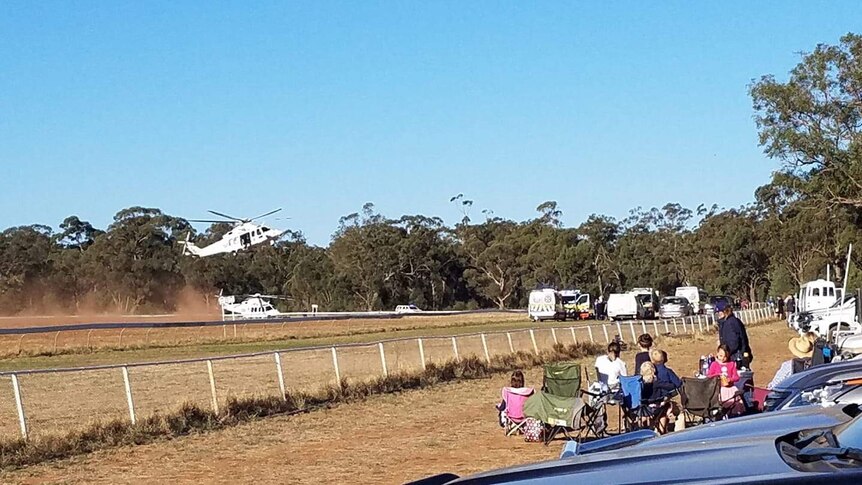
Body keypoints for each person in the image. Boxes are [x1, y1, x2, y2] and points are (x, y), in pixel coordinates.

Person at [646, 350, 682, 433]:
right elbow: (678, 383)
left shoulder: (649, 373)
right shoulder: (667, 371)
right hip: (664, 400)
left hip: (649, 402)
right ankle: (663, 430)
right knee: (671, 410)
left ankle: (653, 429)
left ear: (652, 360)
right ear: (665, 359)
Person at [707, 344, 744, 415]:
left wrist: (730, 379)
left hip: (730, 389)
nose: (722, 358)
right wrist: (718, 376)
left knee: (735, 407)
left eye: (725, 357)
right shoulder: (714, 364)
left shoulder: (731, 364)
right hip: (719, 389)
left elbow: (736, 377)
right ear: (717, 353)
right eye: (721, 356)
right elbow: (709, 376)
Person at [715, 301, 753, 368]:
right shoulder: (732, 321)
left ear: (724, 312)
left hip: (736, 359)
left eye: (719, 313)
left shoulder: (730, 323)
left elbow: (733, 344)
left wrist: (722, 353)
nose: (718, 315)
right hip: (739, 356)